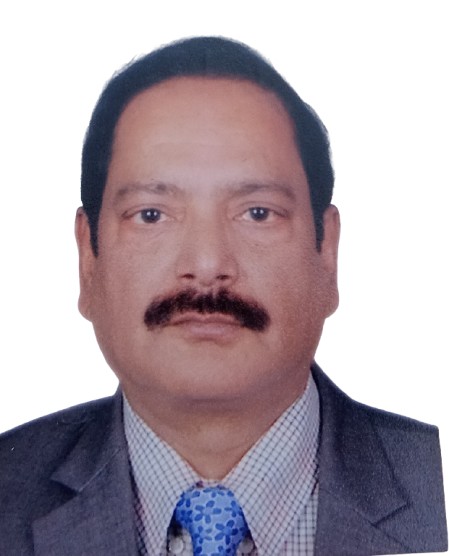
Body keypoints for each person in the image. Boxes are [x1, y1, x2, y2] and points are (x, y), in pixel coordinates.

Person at [0, 36, 446, 556]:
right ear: (88, 260)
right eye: (151, 215)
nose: (208, 265)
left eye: (257, 213)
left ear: (327, 255)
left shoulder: (434, 483)